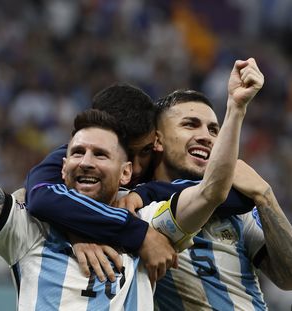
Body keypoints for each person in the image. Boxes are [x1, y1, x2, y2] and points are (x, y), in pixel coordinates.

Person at [0, 39, 258, 309]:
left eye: (101, 154)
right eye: (76, 152)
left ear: (127, 169)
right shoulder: (30, 225)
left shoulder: (146, 215)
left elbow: (213, 192)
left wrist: (236, 109)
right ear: (62, 163)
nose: (86, 161)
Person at [120, 83, 292, 309]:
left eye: (213, 130)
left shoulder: (239, 210)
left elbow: (287, 277)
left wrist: (265, 197)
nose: (206, 137)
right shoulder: (130, 205)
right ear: (157, 141)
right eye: (190, 125)